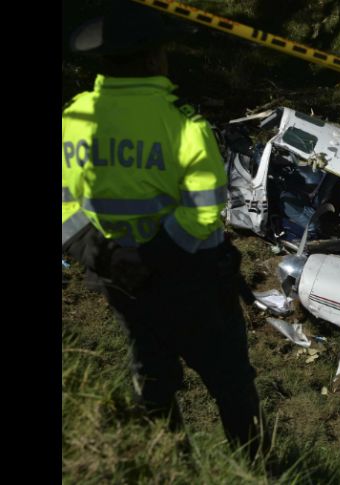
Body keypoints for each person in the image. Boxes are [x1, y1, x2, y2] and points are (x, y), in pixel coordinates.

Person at [62, 0, 262, 460]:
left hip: (120, 282)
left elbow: (66, 204)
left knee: (152, 379)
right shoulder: (182, 125)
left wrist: (105, 255)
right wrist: (152, 257)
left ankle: (171, 465)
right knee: (230, 381)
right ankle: (256, 466)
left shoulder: (73, 120)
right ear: (153, 58)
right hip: (190, 282)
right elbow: (204, 210)